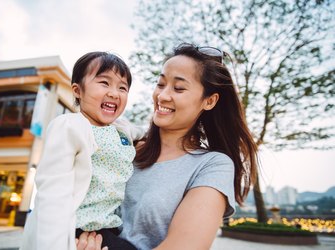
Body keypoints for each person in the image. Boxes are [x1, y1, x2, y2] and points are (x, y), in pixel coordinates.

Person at [77, 43, 258, 250]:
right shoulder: (124, 147)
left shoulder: (212, 166)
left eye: (178, 88)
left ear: (209, 101)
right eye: (161, 84)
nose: (162, 96)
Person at [21, 51, 143, 250]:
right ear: (78, 90)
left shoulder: (122, 129)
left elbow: (146, 133)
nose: (114, 92)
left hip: (109, 229)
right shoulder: (69, 126)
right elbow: (52, 194)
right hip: (74, 231)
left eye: (123, 87)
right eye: (104, 83)